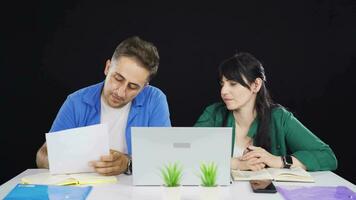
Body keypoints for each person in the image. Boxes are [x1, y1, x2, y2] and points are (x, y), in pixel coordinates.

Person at [36, 36, 171, 175]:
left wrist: (128, 164)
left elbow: (166, 156)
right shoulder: (76, 102)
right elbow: (42, 156)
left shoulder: (155, 99)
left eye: (133, 87)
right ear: (107, 67)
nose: (120, 92)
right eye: (118, 78)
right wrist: (82, 161)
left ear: (144, 87)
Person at [194, 52, 337, 171]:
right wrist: (237, 164)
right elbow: (188, 154)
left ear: (256, 85)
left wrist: (278, 161)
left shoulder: (279, 117)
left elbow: (327, 157)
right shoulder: (213, 113)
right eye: (222, 84)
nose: (223, 91)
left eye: (233, 84)